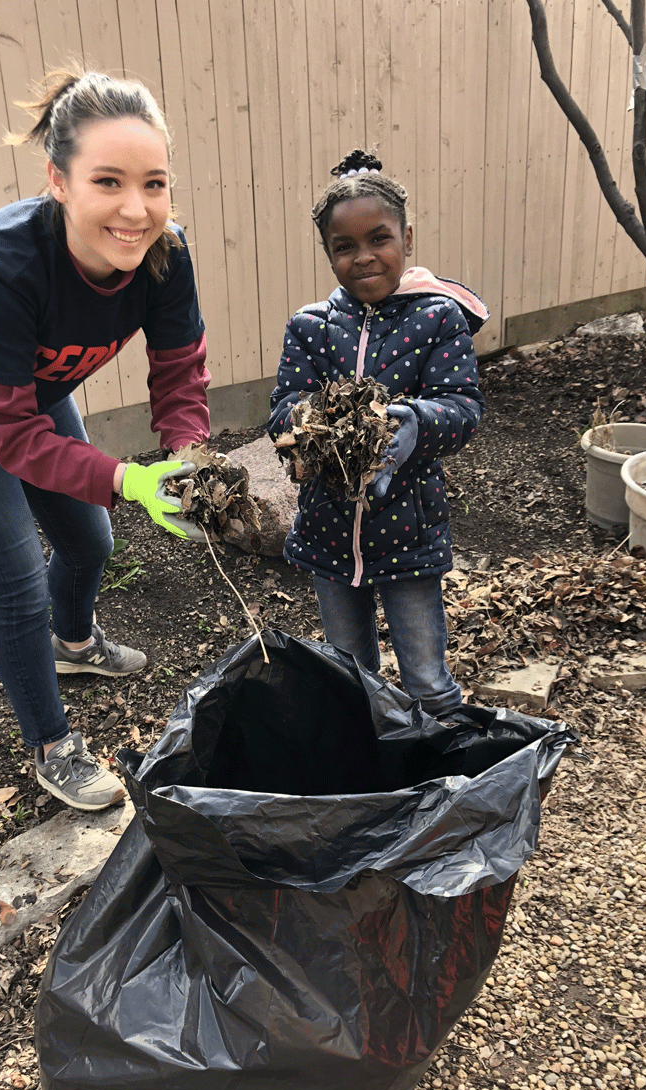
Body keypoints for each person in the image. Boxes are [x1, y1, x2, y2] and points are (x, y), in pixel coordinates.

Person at [0, 70, 211, 812]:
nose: (136, 209)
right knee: (17, 575)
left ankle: (74, 647)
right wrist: (129, 479)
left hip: (30, 398)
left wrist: (190, 456)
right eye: (108, 181)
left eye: (154, 184)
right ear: (58, 181)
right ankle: (50, 744)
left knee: (90, 544)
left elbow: (180, 369)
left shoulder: (165, 254)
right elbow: (12, 435)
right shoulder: (2, 263)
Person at [268, 149, 490, 717]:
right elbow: (283, 408)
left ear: (407, 239)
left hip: (408, 533)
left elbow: (463, 405)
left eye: (379, 239)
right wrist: (307, 423)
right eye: (345, 247)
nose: (364, 257)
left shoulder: (437, 319)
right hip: (329, 531)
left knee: (426, 679)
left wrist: (416, 421)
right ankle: (370, 780)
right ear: (328, 253)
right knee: (350, 676)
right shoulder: (310, 326)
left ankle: (443, 779)